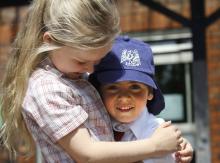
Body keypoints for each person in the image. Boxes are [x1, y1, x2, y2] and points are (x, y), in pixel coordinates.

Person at [0, 0, 183, 162]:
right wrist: (155, 146)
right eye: (81, 61)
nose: (90, 70)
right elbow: (88, 154)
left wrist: (171, 149)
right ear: (50, 41)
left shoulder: (75, 77)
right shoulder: (47, 88)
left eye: (97, 61)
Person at [89, 36, 193, 163]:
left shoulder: (159, 133)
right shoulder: (89, 127)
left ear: (150, 92)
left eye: (135, 87)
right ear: (99, 92)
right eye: (113, 87)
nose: (124, 96)